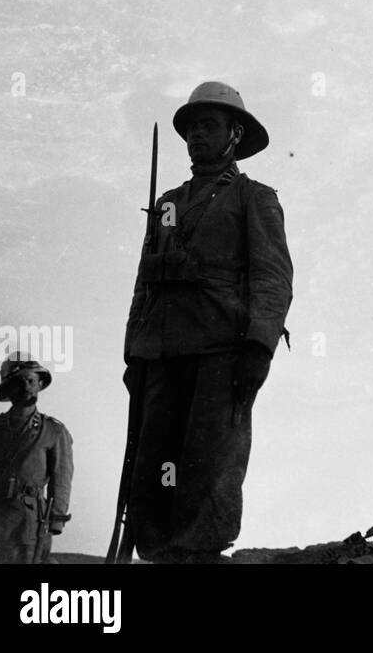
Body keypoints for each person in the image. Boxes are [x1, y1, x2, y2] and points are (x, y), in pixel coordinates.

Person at [123, 81, 293, 563]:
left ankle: (200, 556)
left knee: (208, 465)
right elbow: (143, 284)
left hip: (223, 350)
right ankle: (160, 554)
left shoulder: (253, 197)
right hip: (160, 353)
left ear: (234, 134)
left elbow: (273, 277)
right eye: (192, 127)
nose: (197, 135)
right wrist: (132, 352)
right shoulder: (168, 204)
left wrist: (259, 347)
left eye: (209, 125)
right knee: (153, 468)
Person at [0, 352, 74, 564]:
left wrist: (56, 520)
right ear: (8, 389)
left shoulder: (54, 431)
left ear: (39, 384)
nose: (26, 386)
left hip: (29, 525)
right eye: (18, 382)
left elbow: (61, 480)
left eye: (31, 380)